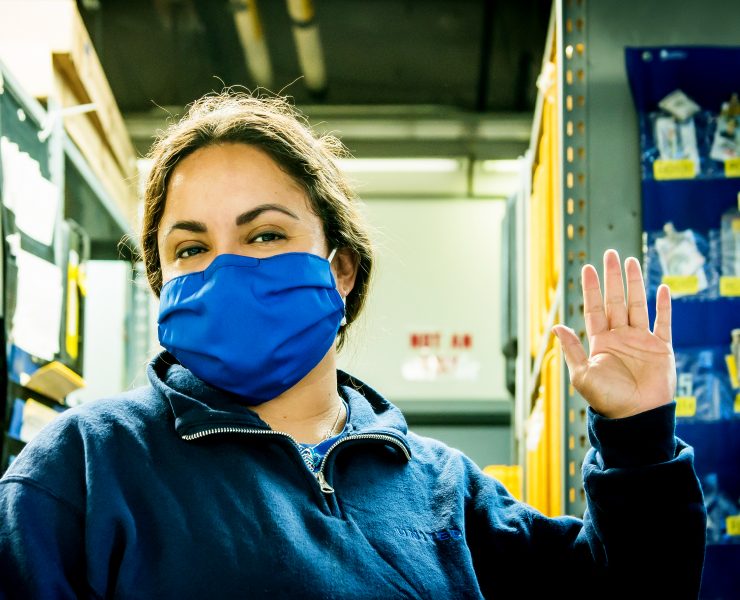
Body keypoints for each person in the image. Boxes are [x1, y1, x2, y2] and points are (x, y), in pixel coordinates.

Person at [0, 92, 706, 600]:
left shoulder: (444, 490)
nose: (227, 269)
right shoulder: (85, 469)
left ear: (340, 269)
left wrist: (637, 437)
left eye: (265, 234)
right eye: (190, 248)